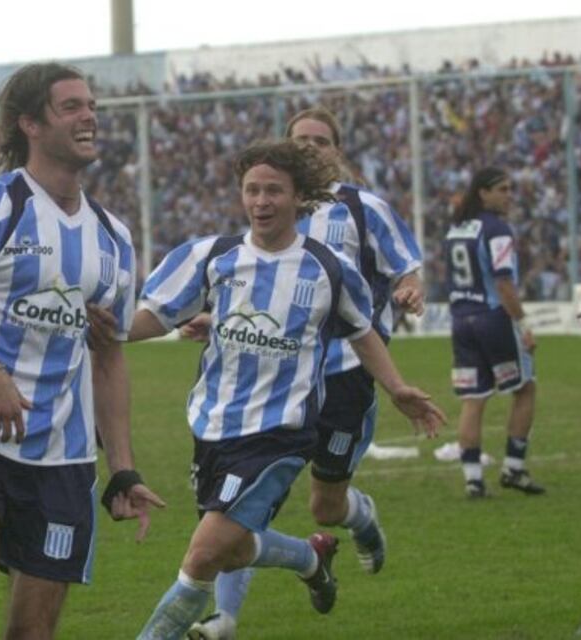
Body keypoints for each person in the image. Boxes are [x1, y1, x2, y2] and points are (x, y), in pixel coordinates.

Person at [107, 140, 444, 639]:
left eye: (274, 191)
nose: (261, 201)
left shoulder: (328, 268)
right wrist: (103, 332)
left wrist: (395, 387)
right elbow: (156, 316)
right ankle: (311, 559)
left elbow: (361, 330)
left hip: (280, 434)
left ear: (299, 198)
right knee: (234, 551)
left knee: (202, 555)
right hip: (214, 426)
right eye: (252, 190)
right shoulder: (213, 255)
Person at [0, 62, 164, 640]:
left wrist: (122, 468)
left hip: (63, 458)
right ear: (31, 124)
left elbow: (109, 356)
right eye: (71, 106)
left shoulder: (113, 237)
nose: (89, 116)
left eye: (91, 105)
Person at [189, 106, 426, 639]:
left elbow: (407, 265)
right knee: (241, 504)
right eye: (302, 140)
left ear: (337, 149)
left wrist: (411, 289)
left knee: (326, 506)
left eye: (321, 140)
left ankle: (361, 522)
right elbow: (254, 282)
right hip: (276, 381)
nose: (312, 147)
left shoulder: (364, 209)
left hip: (345, 375)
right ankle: (223, 619)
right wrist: (217, 318)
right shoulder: (274, 207)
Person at [444, 167, 543, 498]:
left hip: (462, 321)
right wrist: (524, 325)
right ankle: (514, 468)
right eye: (502, 189)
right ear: (483, 193)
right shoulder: (497, 229)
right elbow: (503, 282)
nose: (509, 195)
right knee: (525, 389)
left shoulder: (457, 227)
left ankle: (473, 479)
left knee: (473, 399)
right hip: (493, 320)